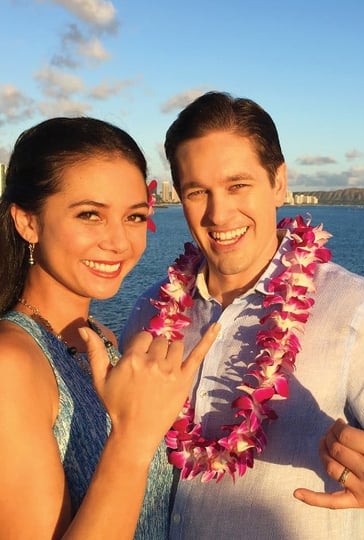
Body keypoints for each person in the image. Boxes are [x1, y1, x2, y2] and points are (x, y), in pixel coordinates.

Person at [121, 91, 364, 539]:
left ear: (278, 182)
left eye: (237, 185)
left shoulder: (353, 310)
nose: (218, 213)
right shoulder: (150, 313)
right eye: (197, 192)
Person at [0, 117, 217, 539]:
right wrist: (133, 439)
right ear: (27, 222)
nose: (119, 242)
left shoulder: (100, 339)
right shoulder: (12, 365)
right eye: (90, 215)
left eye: (134, 217)